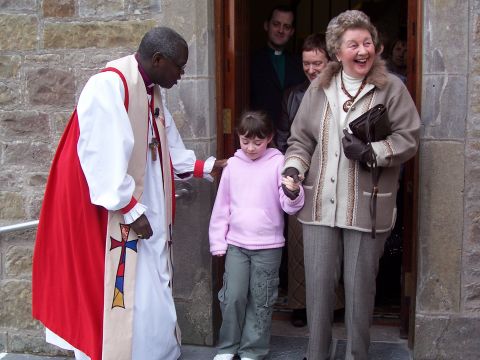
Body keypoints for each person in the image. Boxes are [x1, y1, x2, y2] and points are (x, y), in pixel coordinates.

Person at [32, 27, 226, 360]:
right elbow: (100, 157)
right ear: (158, 59)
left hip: (143, 207)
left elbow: (168, 147)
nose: (182, 74)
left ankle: (157, 352)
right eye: (179, 66)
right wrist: (132, 210)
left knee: (151, 285)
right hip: (116, 215)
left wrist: (208, 166)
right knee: (120, 290)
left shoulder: (152, 93)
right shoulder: (109, 86)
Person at [283, 10, 420, 360]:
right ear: (337, 51)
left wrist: (372, 151)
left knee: (360, 292)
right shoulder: (320, 87)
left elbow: (410, 137)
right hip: (319, 206)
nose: (363, 50)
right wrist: (294, 171)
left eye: (367, 42)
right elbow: (300, 140)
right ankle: (318, 354)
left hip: (367, 207)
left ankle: (356, 355)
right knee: (317, 291)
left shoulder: (391, 88)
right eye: (353, 44)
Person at [209, 111, 305, 360]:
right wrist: (218, 240)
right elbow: (222, 206)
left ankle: (253, 349)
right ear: (239, 138)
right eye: (245, 141)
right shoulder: (232, 166)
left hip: (268, 246)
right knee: (233, 297)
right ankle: (228, 346)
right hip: (236, 245)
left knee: (261, 300)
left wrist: (294, 192)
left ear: (270, 138)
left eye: (258, 142)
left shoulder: (278, 163)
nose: (251, 148)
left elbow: (288, 204)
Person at [277, 33, 330, 328]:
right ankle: (300, 304)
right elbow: (285, 139)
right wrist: (290, 173)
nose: (311, 69)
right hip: (302, 177)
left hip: (333, 176)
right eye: (306, 63)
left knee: (332, 244)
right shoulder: (292, 95)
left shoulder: (341, 92)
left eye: (317, 63)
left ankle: (333, 303)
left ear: (330, 61)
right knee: (299, 243)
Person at [250, 4, 306, 144]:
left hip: (295, 138)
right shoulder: (250, 61)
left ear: (292, 31)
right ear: (266, 25)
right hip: (259, 137)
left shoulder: (301, 64)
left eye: (286, 27)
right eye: (276, 24)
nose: (281, 30)